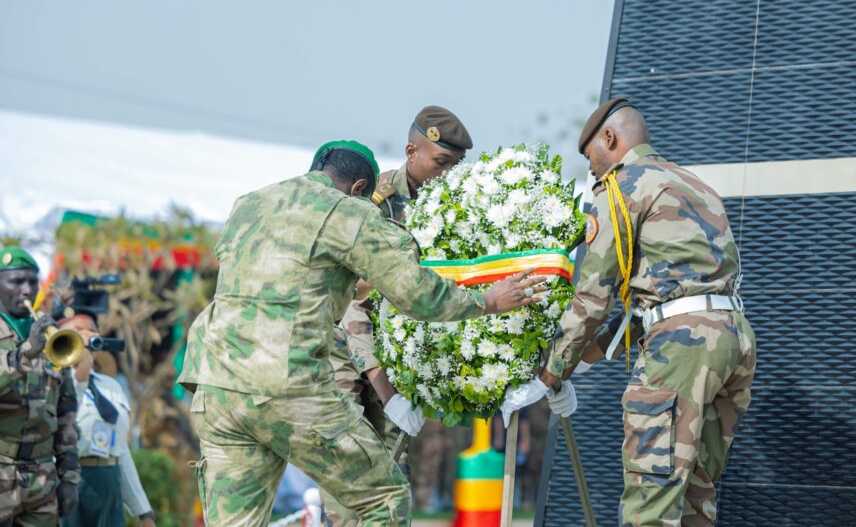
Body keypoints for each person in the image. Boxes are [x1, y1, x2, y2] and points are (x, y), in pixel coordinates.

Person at [178, 139, 546, 526]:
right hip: (287, 385)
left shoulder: (250, 204)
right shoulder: (347, 212)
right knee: (383, 498)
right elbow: (415, 293)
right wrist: (487, 302)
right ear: (358, 189)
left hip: (215, 386)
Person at [505, 98, 757, 526]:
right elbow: (651, 307)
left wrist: (550, 373)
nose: (591, 171)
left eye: (590, 158)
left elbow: (593, 296)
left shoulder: (622, 186)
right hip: (732, 340)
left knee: (650, 500)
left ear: (609, 138)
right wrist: (586, 359)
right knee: (695, 495)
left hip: (681, 349)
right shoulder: (694, 184)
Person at [331, 106, 471, 514]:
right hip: (346, 348)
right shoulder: (373, 202)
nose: (447, 174)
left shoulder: (453, 210)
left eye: (456, 165)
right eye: (441, 162)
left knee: (393, 482)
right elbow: (352, 300)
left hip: (397, 355)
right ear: (412, 152)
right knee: (346, 468)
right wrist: (384, 390)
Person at [0, 246, 80, 525]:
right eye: (16, 282)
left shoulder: (51, 334)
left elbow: (66, 410)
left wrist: (69, 476)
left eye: (33, 282)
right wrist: (27, 351)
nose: (27, 290)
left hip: (42, 477)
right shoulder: (37, 339)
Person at [57, 311, 156, 527]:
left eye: (92, 330)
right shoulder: (52, 382)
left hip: (108, 481)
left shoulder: (110, 386)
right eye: (78, 330)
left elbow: (120, 451)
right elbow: (66, 416)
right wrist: (80, 372)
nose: (87, 335)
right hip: (69, 482)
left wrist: (144, 512)